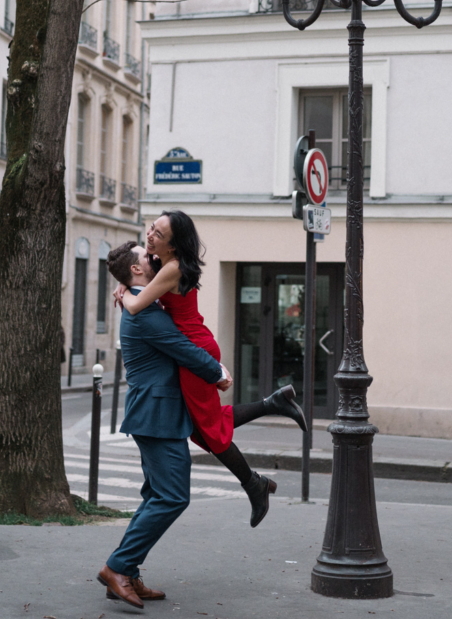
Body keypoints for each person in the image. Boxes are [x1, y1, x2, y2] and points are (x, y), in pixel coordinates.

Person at [115, 211, 307, 527]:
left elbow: (136, 306)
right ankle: (272, 408)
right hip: (195, 344)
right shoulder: (165, 263)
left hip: (193, 350)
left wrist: (124, 289)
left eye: (158, 234)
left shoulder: (171, 268)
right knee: (203, 425)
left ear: (173, 246)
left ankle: (254, 483)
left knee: (206, 430)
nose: (150, 235)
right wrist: (126, 284)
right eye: (152, 228)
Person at [97, 241, 233, 611]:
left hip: (158, 413)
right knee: (172, 496)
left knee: (155, 495)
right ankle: (117, 568)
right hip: (157, 415)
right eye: (147, 256)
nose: (154, 258)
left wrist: (124, 290)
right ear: (138, 270)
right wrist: (216, 372)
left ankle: (126, 571)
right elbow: (179, 346)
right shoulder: (146, 313)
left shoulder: (145, 301)